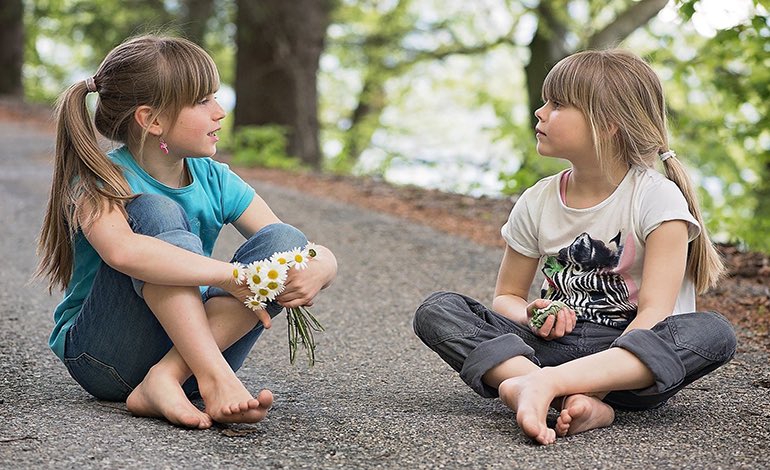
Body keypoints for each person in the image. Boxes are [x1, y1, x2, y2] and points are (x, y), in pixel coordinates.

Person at [413, 49, 736, 445]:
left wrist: (594, 385)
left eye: (558, 104)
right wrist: (533, 313)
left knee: (714, 332)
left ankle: (533, 387)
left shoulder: (657, 199)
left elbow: (653, 313)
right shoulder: (538, 200)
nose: (540, 112)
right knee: (439, 310)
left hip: (629, 365)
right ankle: (546, 389)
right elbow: (507, 297)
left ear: (610, 124)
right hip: (549, 348)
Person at [36, 35, 337, 429]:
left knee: (285, 240)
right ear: (153, 120)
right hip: (106, 357)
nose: (220, 112)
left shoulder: (216, 179)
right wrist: (231, 276)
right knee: (154, 211)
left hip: (190, 356)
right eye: (202, 101)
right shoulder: (100, 180)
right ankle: (213, 377)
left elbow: (295, 246)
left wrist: (322, 266)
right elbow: (124, 253)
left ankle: (167, 377)